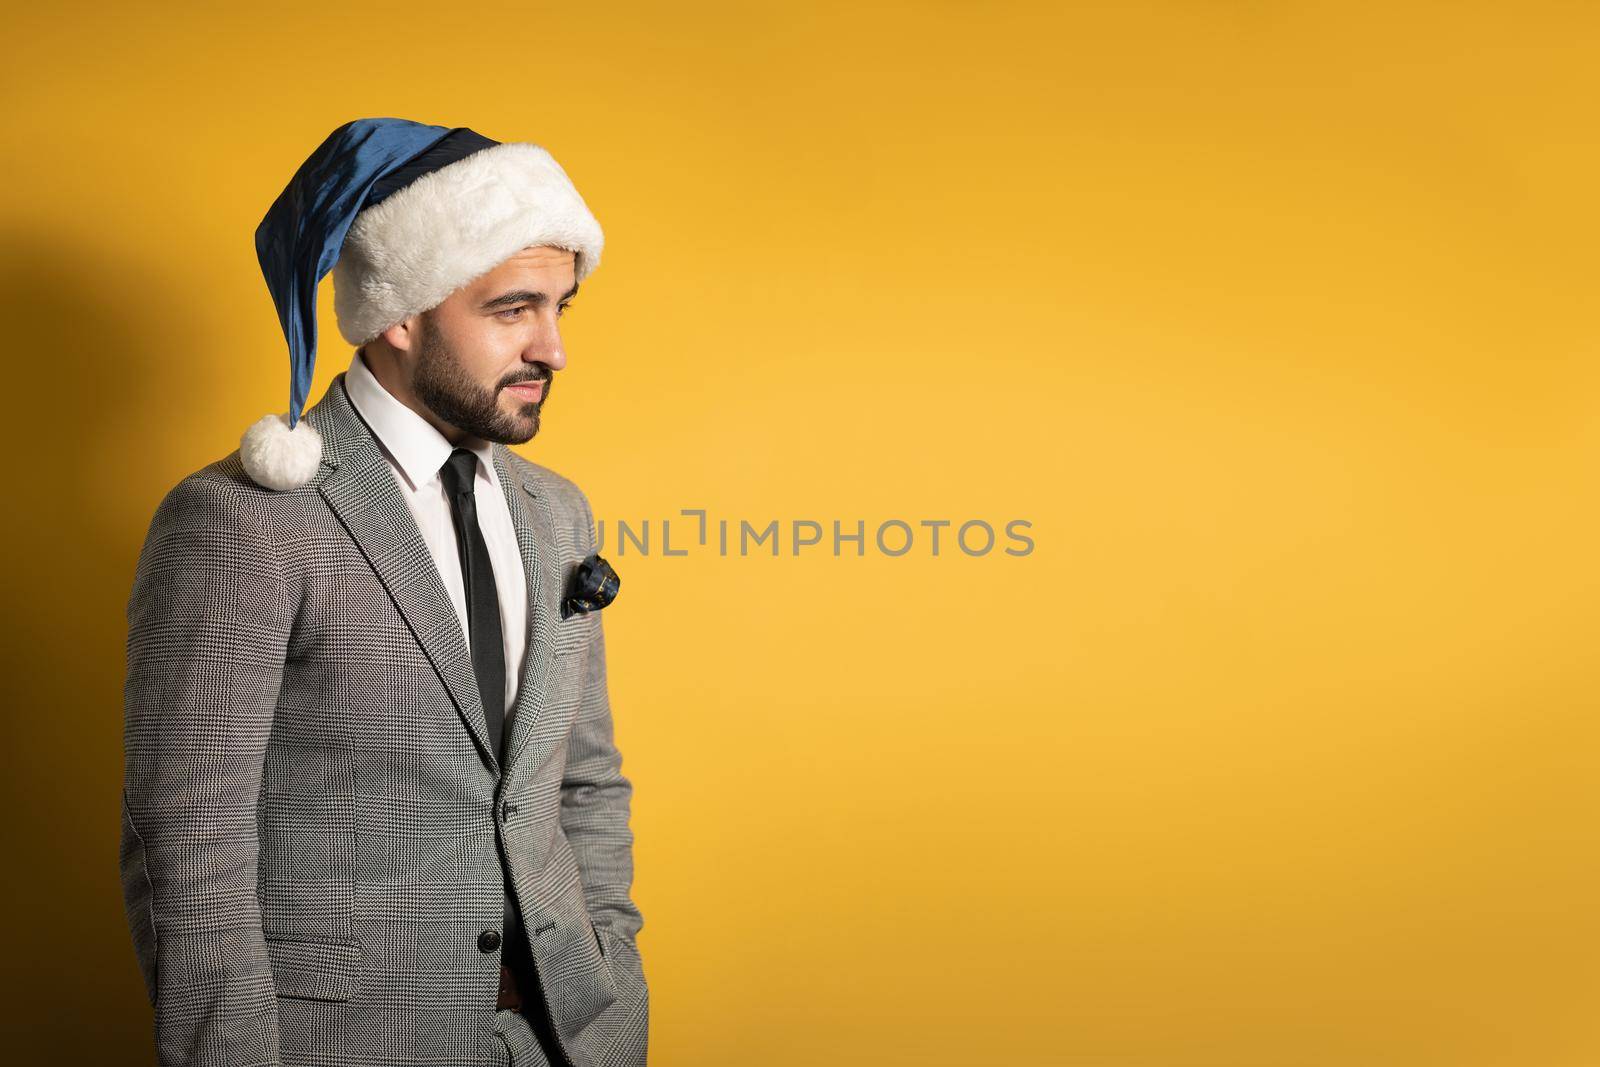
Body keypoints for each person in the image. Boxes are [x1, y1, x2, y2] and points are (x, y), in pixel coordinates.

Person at [118, 118, 646, 1067]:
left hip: (565, 1040)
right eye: (513, 308)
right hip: (348, 1041)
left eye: (563, 306)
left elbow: (583, 782)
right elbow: (189, 844)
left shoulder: (558, 512)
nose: (554, 347)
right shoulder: (242, 521)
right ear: (401, 313)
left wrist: (618, 996)